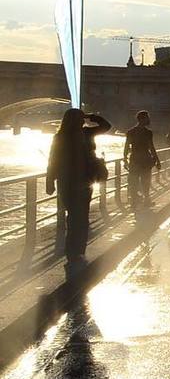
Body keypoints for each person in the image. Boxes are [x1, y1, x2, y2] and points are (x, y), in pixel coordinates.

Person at [46, 109, 112, 278]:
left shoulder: (61, 137)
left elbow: (53, 161)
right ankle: (78, 251)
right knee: (81, 216)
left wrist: (50, 181)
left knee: (74, 216)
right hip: (83, 181)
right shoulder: (86, 133)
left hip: (68, 182)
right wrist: (92, 117)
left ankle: (72, 253)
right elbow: (106, 125)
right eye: (80, 118)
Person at [124, 111, 161, 209]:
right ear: (143, 119)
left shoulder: (130, 132)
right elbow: (151, 148)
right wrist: (157, 160)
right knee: (146, 181)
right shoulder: (148, 132)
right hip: (145, 159)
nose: (149, 119)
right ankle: (146, 200)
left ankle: (134, 202)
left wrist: (125, 159)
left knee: (134, 181)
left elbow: (126, 147)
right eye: (147, 118)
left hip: (134, 159)